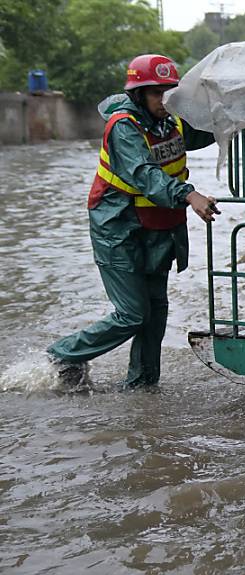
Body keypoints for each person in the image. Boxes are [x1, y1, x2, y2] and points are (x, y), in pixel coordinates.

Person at [47, 54, 220, 390]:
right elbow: (144, 174)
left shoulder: (172, 120)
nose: (165, 100)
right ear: (139, 95)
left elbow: (211, 128)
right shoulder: (124, 127)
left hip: (159, 226)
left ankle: (142, 389)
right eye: (157, 93)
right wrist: (190, 194)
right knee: (132, 313)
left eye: (170, 92)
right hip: (119, 226)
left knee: (155, 313)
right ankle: (65, 354)